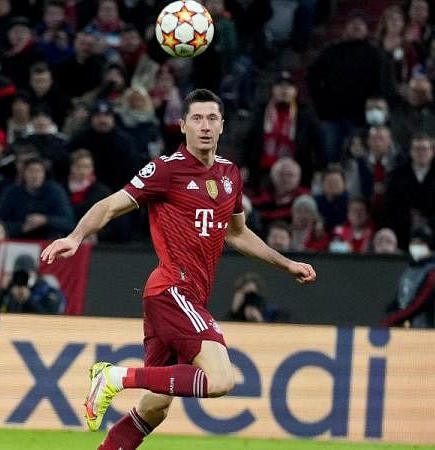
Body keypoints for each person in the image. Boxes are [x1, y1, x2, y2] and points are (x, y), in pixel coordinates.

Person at [40, 89, 316, 449]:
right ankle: (115, 377)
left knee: (155, 407)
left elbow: (237, 233)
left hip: (186, 297)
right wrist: (76, 237)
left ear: (222, 126)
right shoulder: (166, 169)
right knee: (221, 379)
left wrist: (287, 263)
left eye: (212, 118)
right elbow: (109, 205)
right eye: (197, 119)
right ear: (183, 125)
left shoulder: (230, 175)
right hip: (172, 290)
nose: (205, 126)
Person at [382, 226, 435, 329]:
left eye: (420, 243)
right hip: (405, 327)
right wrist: (390, 311)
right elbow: (401, 296)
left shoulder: (433, 272)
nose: (415, 246)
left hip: (426, 329)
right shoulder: (409, 270)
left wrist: (395, 318)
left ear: (428, 245)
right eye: (413, 243)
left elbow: (420, 303)